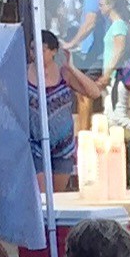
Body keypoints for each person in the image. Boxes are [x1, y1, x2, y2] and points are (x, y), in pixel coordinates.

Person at [27, 29, 103, 191]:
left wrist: (71, 68)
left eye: (42, 50)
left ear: (53, 51)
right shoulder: (25, 73)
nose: (36, 54)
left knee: (57, 194)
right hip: (35, 142)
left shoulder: (63, 74)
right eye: (33, 49)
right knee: (41, 192)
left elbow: (94, 92)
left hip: (62, 143)